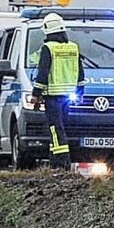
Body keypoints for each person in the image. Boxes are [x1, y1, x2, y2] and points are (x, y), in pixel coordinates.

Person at [33, 12, 84, 169]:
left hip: (53, 97)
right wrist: (81, 92)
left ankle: (62, 164)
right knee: (58, 130)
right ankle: (54, 162)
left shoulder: (48, 48)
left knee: (56, 130)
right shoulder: (73, 48)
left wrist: (36, 94)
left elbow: (43, 72)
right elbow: (80, 73)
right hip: (68, 97)